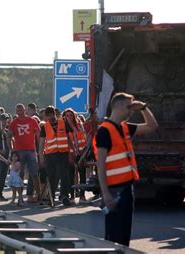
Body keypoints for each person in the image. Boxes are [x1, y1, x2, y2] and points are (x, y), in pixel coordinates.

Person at [94, 92, 157, 246]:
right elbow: (100, 165)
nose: (131, 111)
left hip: (127, 188)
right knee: (114, 236)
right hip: (114, 190)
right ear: (120, 106)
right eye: (130, 107)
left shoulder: (125, 128)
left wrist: (143, 107)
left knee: (123, 236)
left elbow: (152, 126)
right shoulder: (104, 130)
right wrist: (105, 193)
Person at [38, 106, 76, 206]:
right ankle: (51, 196)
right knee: (52, 176)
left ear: (55, 113)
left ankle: (64, 196)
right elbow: (41, 143)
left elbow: (68, 138)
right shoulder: (44, 127)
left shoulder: (63, 123)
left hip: (63, 153)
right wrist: (41, 157)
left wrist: (73, 150)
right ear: (46, 116)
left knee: (64, 176)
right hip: (50, 155)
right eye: (49, 115)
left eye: (52, 114)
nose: (51, 117)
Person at [8, 103, 42, 203]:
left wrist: (40, 148)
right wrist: (11, 149)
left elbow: (38, 134)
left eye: (21, 110)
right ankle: (20, 197)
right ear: (16, 111)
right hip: (19, 151)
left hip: (31, 150)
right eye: (18, 110)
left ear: (25, 110)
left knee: (34, 174)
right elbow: (9, 136)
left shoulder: (32, 120)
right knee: (20, 174)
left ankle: (39, 195)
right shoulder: (14, 123)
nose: (20, 112)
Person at [63, 108, 87, 203]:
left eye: (71, 115)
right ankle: (72, 197)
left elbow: (84, 137)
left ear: (74, 116)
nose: (69, 117)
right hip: (71, 154)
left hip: (81, 153)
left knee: (82, 174)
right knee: (71, 175)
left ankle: (82, 196)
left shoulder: (79, 125)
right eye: (67, 115)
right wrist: (73, 152)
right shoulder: (64, 127)